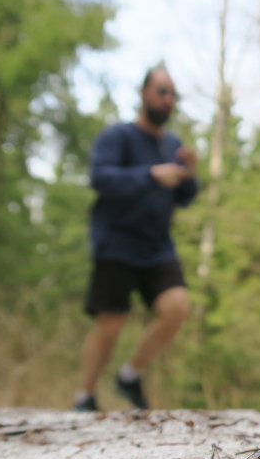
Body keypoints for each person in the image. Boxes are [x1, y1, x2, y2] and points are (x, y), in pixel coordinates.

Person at [74, 66, 199, 411]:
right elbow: (101, 179)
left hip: (156, 247)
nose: (168, 99)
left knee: (177, 308)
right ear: (143, 93)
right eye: (161, 91)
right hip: (116, 244)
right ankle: (84, 396)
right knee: (110, 323)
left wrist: (189, 174)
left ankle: (130, 376)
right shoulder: (117, 137)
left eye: (173, 93)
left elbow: (185, 197)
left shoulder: (172, 145)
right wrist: (150, 174)